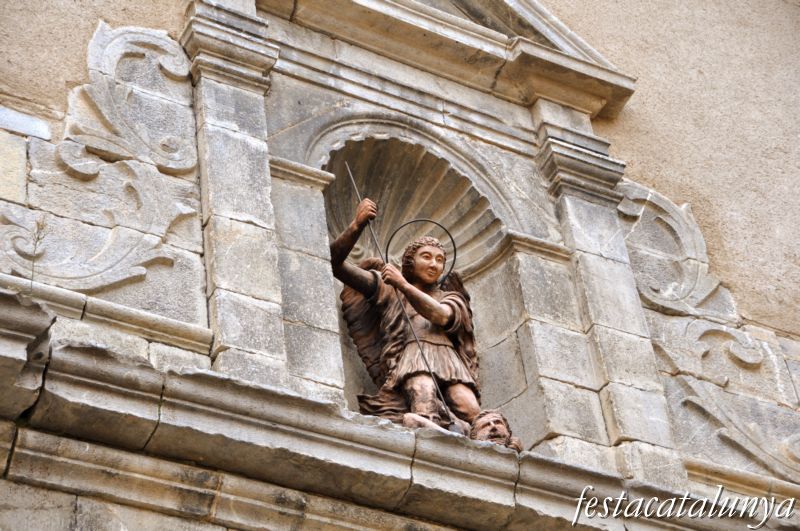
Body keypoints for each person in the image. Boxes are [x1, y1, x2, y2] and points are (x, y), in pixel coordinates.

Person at [331, 198, 481, 432]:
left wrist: (402, 283)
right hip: (412, 356)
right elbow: (336, 265)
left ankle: (467, 434)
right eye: (427, 257)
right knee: (423, 399)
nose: (434, 264)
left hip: (449, 360)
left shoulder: (451, 297)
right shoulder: (387, 289)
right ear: (410, 262)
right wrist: (356, 226)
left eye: (440, 260)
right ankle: (436, 436)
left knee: (471, 410)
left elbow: (440, 316)